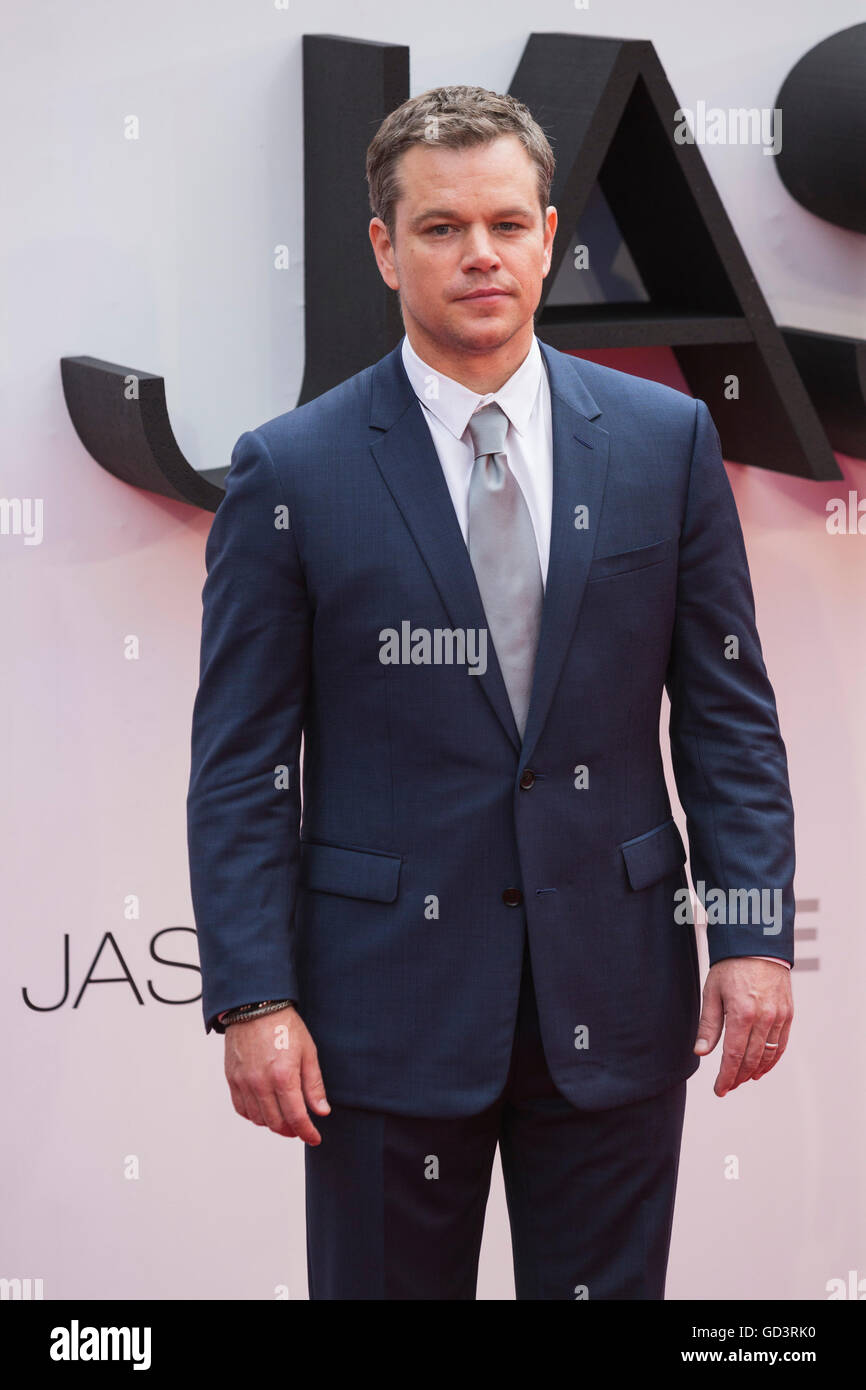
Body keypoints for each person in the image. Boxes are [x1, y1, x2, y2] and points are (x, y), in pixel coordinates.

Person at [186, 86, 795, 1300]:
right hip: (380, 1012)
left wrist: (752, 933)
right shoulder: (291, 467)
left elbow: (728, 718)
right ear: (382, 246)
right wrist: (252, 994)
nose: (480, 255)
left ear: (547, 233)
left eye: (507, 225)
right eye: (440, 227)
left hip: (616, 991)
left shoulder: (663, 441)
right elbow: (242, 764)